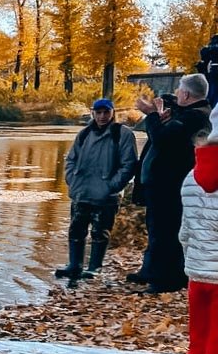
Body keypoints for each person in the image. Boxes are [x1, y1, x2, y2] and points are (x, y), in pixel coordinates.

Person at [133, 73, 212, 294]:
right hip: (163, 183)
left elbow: (164, 140)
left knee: (166, 231)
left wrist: (151, 115)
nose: (176, 93)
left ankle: (165, 281)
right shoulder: (189, 114)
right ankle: (151, 271)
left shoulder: (196, 117)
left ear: (186, 94)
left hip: (171, 184)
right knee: (156, 228)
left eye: (179, 90)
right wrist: (160, 116)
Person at [171, 109, 218, 354]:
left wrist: (195, 264)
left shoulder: (191, 176)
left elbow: (185, 232)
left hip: (197, 276)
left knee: (198, 348)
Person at [56, 98, 137, 284]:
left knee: (100, 233)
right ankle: (74, 266)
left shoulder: (122, 134)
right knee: (76, 230)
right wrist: (72, 180)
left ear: (112, 112)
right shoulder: (84, 134)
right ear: (93, 112)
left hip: (106, 197)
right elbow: (70, 160)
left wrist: (111, 187)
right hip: (81, 192)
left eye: (106, 112)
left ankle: (94, 268)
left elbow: (129, 165)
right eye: (98, 112)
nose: (102, 116)